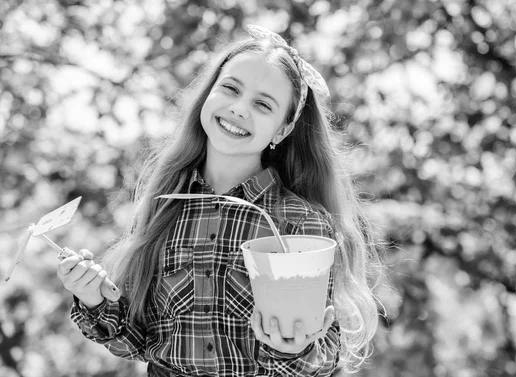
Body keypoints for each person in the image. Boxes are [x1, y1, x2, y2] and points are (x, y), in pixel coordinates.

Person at [57, 25, 384, 376]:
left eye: (262, 104)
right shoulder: (163, 209)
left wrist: (293, 348)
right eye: (230, 88)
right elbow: (140, 342)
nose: (239, 108)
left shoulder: (300, 224)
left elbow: (320, 358)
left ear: (283, 130)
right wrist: (93, 298)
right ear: (208, 94)